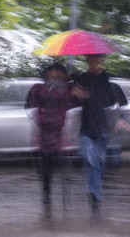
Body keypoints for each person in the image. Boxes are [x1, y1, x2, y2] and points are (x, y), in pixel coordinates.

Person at [73, 54, 130, 206]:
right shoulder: (82, 79)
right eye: (91, 62)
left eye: (97, 62)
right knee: (92, 160)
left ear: (101, 63)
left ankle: (94, 188)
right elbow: (73, 95)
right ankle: (94, 188)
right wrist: (77, 93)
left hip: (103, 129)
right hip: (86, 129)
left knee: (98, 160)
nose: (95, 65)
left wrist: (123, 118)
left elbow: (122, 101)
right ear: (88, 63)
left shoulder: (108, 81)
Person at [25, 62, 86, 204]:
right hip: (44, 132)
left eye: (58, 74)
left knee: (64, 162)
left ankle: (65, 191)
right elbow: (29, 105)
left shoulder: (68, 89)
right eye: (51, 74)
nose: (54, 76)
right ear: (46, 75)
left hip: (60, 132)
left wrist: (76, 86)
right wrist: (37, 117)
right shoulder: (38, 88)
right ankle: (46, 191)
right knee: (46, 165)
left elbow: (80, 101)